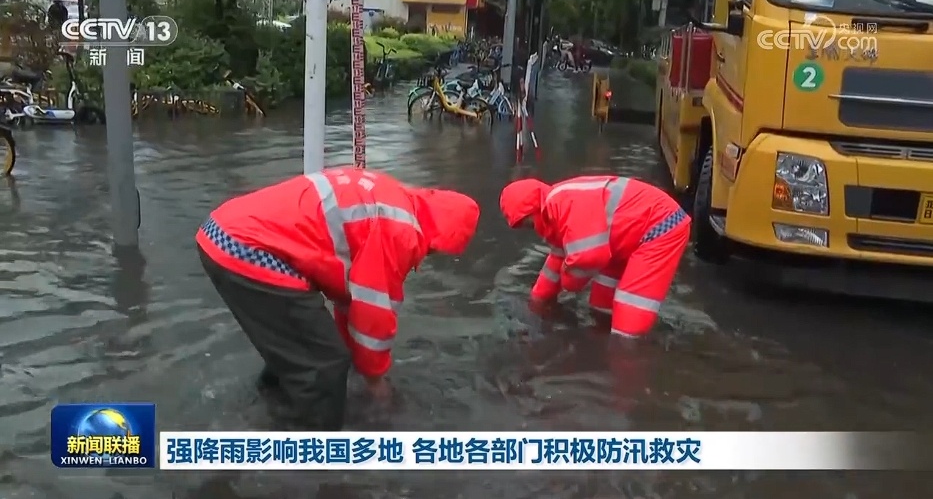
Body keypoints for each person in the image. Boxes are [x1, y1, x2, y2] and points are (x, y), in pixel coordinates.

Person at [196, 168, 480, 430]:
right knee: (324, 365)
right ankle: (314, 462)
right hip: (247, 249)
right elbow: (373, 312)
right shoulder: (401, 232)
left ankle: (266, 412)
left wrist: (356, 354)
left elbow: (350, 299)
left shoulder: (393, 199)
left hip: (223, 233)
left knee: (304, 351)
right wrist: (375, 380)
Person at [498, 176, 690, 338]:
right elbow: (556, 261)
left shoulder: (563, 203)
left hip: (660, 227)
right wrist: (537, 300)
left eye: (528, 223)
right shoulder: (555, 212)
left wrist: (569, 283)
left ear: (533, 209)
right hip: (623, 239)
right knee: (601, 305)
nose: (532, 229)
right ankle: (603, 345)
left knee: (630, 310)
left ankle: (627, 364)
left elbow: (589, 258)